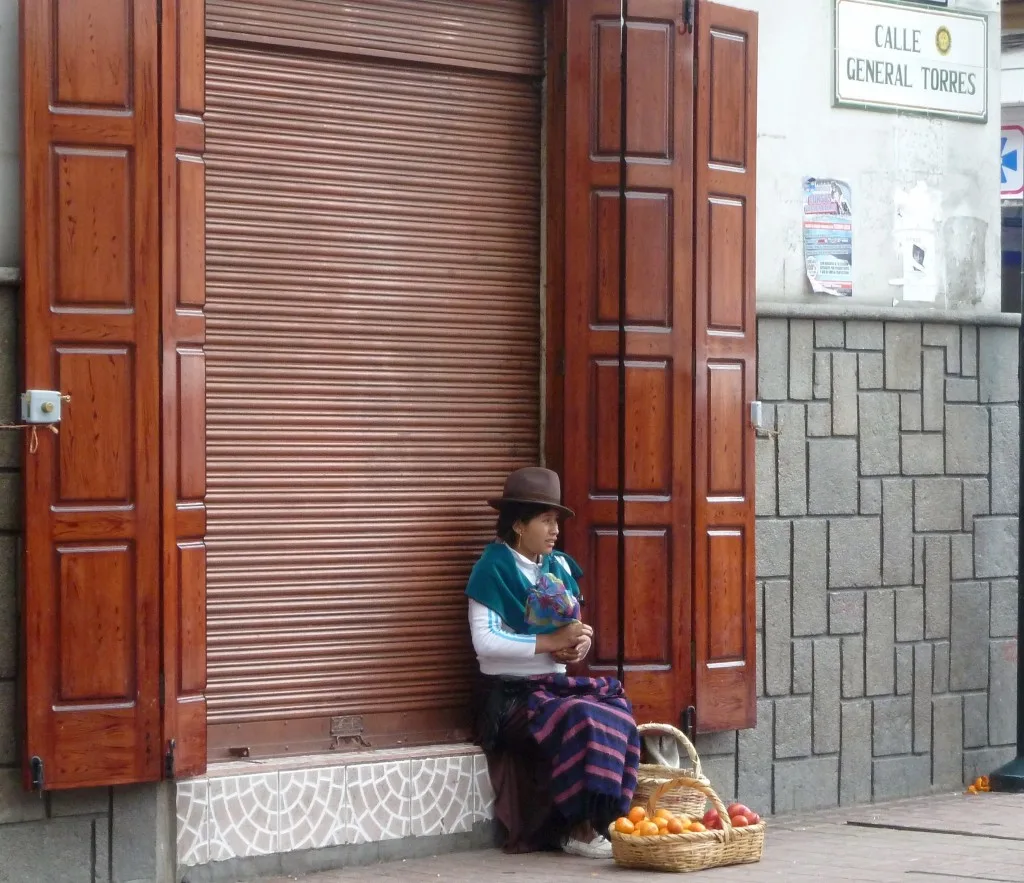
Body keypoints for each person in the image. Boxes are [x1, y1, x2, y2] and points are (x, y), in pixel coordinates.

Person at [465, 467, 640, 859]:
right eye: (545, 521)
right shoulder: (492, 569)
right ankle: (575, 828)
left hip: (553, 689)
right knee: (581, 717)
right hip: (510, 699)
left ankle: (607, 818)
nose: (554, 530)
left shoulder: (558, 566)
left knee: (617, 710)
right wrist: (549, 642)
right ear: (518, 525)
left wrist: (579, 644)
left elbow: (575, 629)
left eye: (556, 521)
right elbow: (486, 643)